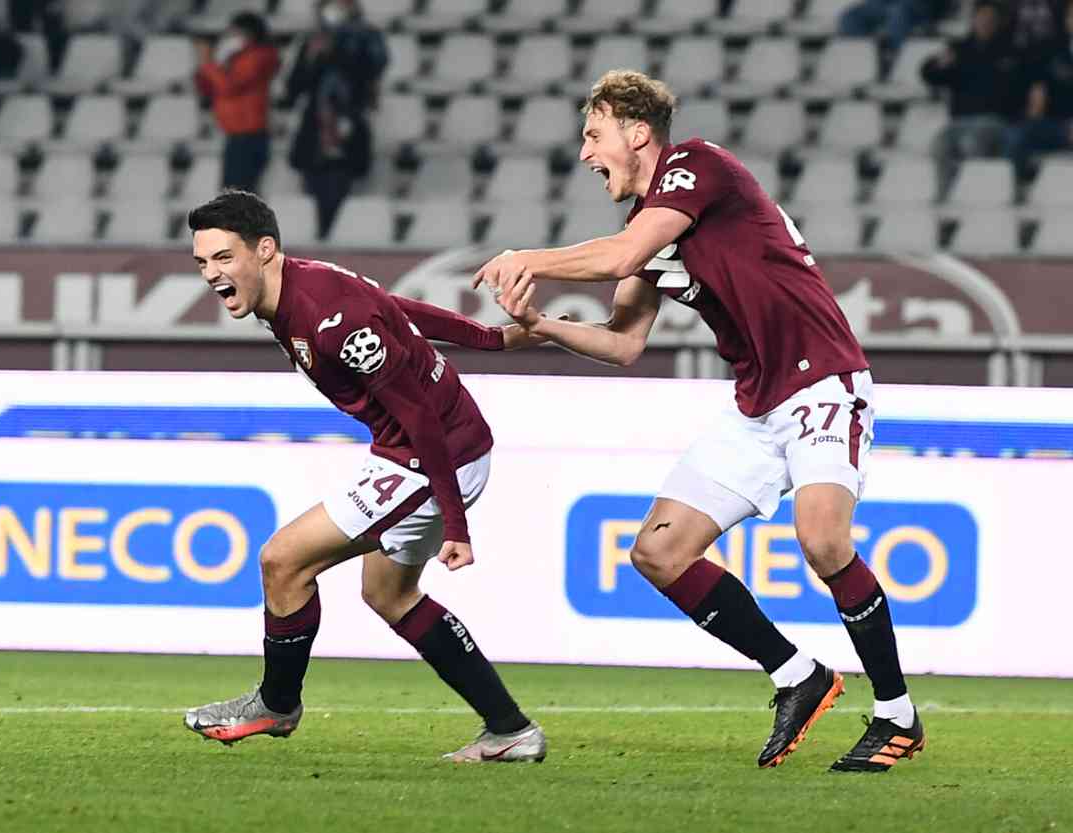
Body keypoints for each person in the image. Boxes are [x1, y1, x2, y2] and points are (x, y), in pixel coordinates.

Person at [476, 70, 925, 773]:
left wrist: (525, 257)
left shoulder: (697, 166)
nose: (586, 153)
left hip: (822, 382)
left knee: (822, 538)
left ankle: (897, 713)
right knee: (658, 552)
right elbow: (624, 342)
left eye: (594, 135)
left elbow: (622, 256)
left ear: (637, 132)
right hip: (756, 405)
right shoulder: (647, 224)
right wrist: (541, 324)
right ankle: (797, 675)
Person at [181, 189, 548, 763]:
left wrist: (456, 526)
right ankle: (510, 730)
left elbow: (420, 417)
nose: (211, 274)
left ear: (265, 250)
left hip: (432, 456)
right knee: (388, 594)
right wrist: (491, 338)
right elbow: (396, 308)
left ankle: (276, 704)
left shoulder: (328, 319)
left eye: (224, 257)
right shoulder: (304, 283)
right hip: (425, 449)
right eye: (203, 262)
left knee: (283, 560)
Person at [284, 0, 387, 239]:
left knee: (340, 189)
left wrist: (336, 51)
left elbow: (371, 71)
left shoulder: (367, 37)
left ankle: (332, 235)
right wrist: (311, 58)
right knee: (311, 190)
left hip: (347, 125)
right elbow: (294, 87)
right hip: (315, 130)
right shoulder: (313, 40)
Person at [920, 0, 1024, 194]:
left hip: (994, 121)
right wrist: (938, 65)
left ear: (998, 22)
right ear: (973, 19)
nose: (985, 22)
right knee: (940, 144)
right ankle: (944, 194)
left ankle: (975, 194)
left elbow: (1019, 91)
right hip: (959, 121)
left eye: (990, 19)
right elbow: (930, 76)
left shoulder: (1010, 51)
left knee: (972, 143)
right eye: (981, 17)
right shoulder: (959, 49)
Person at [194, 11, 280, 193]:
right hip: (236, 134)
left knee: (239, 194)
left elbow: (229, 86)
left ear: (249, 33)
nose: (229, 37)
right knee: (230, 193)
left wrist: (208, 64)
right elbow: (210, 89)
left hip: (249, 134)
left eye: (234, 32)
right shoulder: (235, 57)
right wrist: (208, 67)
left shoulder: (259, 56)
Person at [1005, 0, 1073, 177]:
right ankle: (1023, 183)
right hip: (1059, 125)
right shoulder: (1050, 50)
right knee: (1018, 134)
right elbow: (1038, 93)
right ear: (1066, 19)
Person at [838, 0, 948, 50]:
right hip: (887, 5)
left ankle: (891, 52)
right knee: (850, 16)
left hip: (919, 7)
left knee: (898, 13)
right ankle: (862, 55)